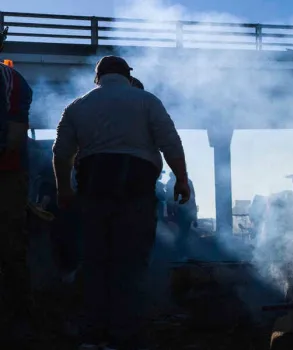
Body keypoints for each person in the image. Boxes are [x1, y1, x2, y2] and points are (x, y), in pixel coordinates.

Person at [53, 55, 190, 349]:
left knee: (94, 262)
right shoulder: (146, 101)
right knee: (130, 264)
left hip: (93, 193)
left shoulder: (77, 107)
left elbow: (61, 152)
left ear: (97, 78)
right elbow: (170, 142)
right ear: (128, 76)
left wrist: (64, 189)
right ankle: (124, 335)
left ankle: (93, 333)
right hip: (136, 193)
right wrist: (181, 179)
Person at [0, 46, 35, 345]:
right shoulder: (12, 78)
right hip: (8, 172)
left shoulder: (9, 77)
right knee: (11, 246)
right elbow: (16, 131)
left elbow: (14, 133)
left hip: (6, 172)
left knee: (11, 247)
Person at [166, 172, 197, 259]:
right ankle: (181, 253)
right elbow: (193, 198)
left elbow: (169, 199)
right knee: (183, 234)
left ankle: (180, 253)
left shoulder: (172, 182)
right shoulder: (187, 182)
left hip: (180, 211)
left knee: (181, 233)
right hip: (182, 211)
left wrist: (169, 214)